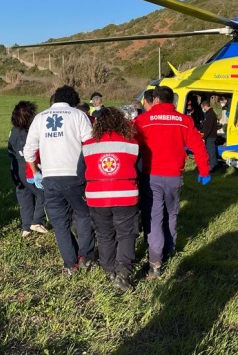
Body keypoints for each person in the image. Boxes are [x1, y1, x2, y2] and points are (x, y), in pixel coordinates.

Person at [134, 86, 211, 279]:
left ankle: (155, 264)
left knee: (154, 218)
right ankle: (169, 250)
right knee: (171, 214)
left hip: (151, 177)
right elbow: (198, 146)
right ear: (173, 101)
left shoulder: (143, 120)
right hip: (174, 177)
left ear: (157, 100)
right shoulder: (185, 121)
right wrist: (204, 170)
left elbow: (132, 146)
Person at [23, 85, 95, 275]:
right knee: (83, 214)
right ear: (73, 100)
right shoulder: (79, 116)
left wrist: (36, 172)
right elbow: (89, 145)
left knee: (60, 223)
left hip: (50, 178)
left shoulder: (40, 118)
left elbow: (29, 151)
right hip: (75, 176)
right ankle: (85, 256)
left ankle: (70, 264)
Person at [83, 107, 140, 291]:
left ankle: (109, 270)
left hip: (97, 196)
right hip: (126, 195)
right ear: (121, 123)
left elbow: (79, 171)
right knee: (126, 233)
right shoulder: (131, 142)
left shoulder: (88, 144)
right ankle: (123, 271)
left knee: (104, 234)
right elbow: (140, 169)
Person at [8, 101, 48, 238]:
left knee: (24, 196)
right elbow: (30, 154)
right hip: (27, 168)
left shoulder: (13, 130)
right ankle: (37, 221)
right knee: (43, 193)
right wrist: (37, 170)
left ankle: (26, 227)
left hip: (15, 167)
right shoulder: (27, 133)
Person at [200, 99, 219, 172]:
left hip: (210, 136)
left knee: (211, 152)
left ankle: (212, 166)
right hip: (210, 135)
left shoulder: (210, 114)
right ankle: (214, 164)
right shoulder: (210, 113)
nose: (202, 109)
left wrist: (204, 137)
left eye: (202, 107)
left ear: (205, 106)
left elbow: (208, 128)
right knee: (211, 151)